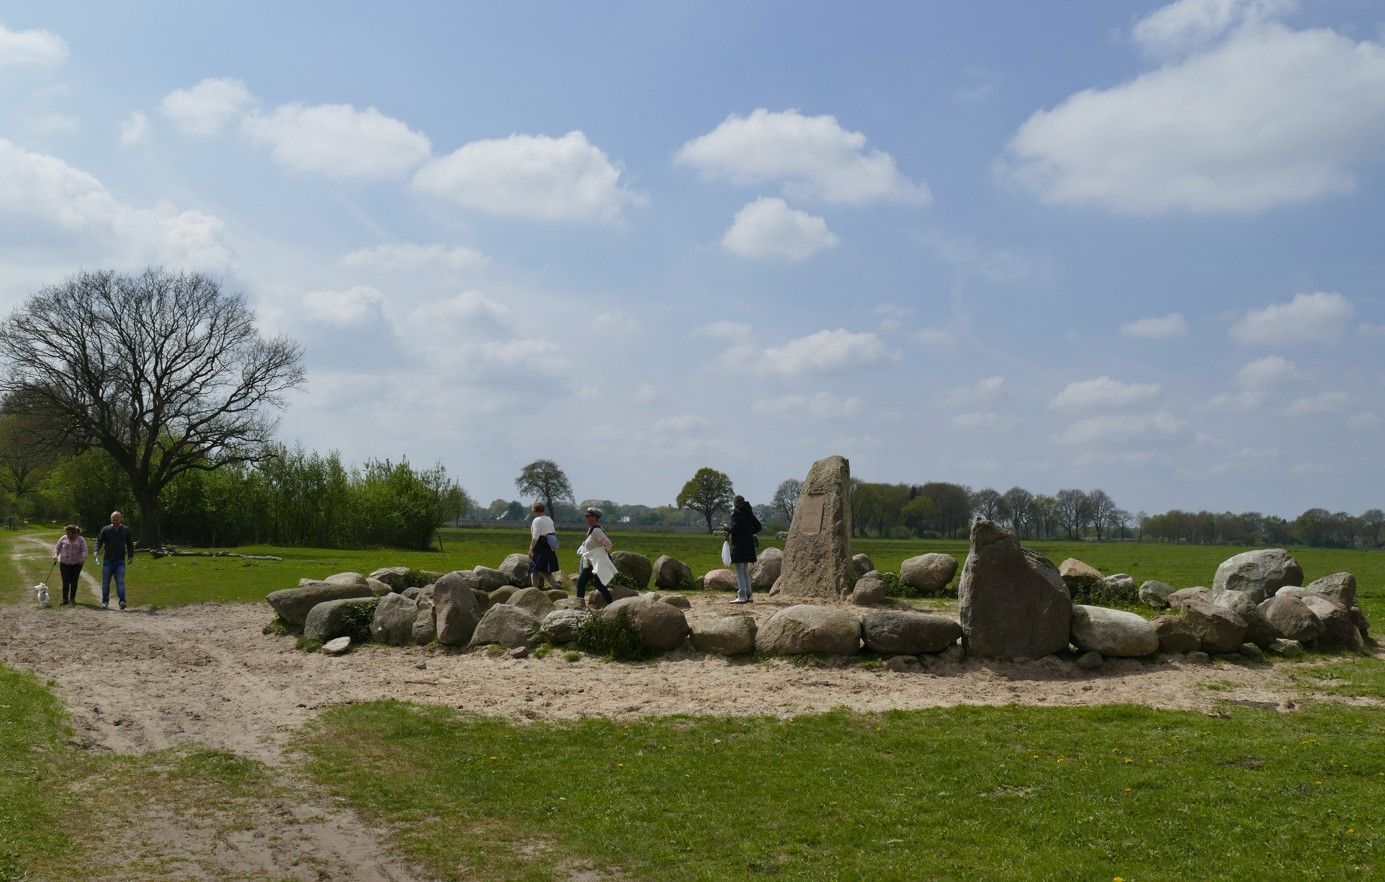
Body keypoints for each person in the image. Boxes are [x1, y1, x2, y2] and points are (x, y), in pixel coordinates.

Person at [719, 495, 762, 604]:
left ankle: (742, 595)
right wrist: (748, 533)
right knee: (745, 570)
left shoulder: (736, 512)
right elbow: (758, 527)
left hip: (739, 545)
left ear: (736, 502)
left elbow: (734, 529)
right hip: (749, 545)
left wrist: (725, 527)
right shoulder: (749, 512)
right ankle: (749, 594)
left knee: (739, 569)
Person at [575, 506, 615, 608]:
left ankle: (579, 606)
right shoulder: (591, 530)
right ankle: (580, 605)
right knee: (592, 584)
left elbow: (608, 544)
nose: (586, 518)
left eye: (588, 516)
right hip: (590, 563)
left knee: (586, 583)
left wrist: (602, 553)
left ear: (594, 518)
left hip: (595, 563)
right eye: (586, 516)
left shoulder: (596, 531)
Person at [94, 510, 135, 610]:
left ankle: (122, 601)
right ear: (111, 519)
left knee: (120, 582)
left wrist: (130, 556)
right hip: (108, 560)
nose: (115, 521)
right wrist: (96, 550)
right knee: (105, 582)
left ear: (120, 519)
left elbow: (130, 544)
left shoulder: (126, 529)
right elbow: (99, 541)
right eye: (113, 519)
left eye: (117, 519)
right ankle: (105, 601)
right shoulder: (106, 529)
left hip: (120, 561)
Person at [527, 502, 562, 590]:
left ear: (535, 510)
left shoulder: (537, 520)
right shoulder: (549, 519)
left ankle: (535, 590)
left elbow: (535, 536)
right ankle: (553, 587)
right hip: (549, 545)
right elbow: (552, 532)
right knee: (541, 569)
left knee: (535, 568)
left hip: (540, 546)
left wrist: (531, 548)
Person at [53, 524, 87, 606]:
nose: (68, 535)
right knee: (65, 581)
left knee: (74, 581)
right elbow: (57, 548)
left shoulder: (81, 539)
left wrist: (83, 558)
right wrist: (55, 555)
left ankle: (72, 599)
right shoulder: (63, 538)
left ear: (75, 533)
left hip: (77, 563)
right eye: (67, 533)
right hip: (64, 563)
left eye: (69, 534)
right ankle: (65, 599)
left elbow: (84, 550)